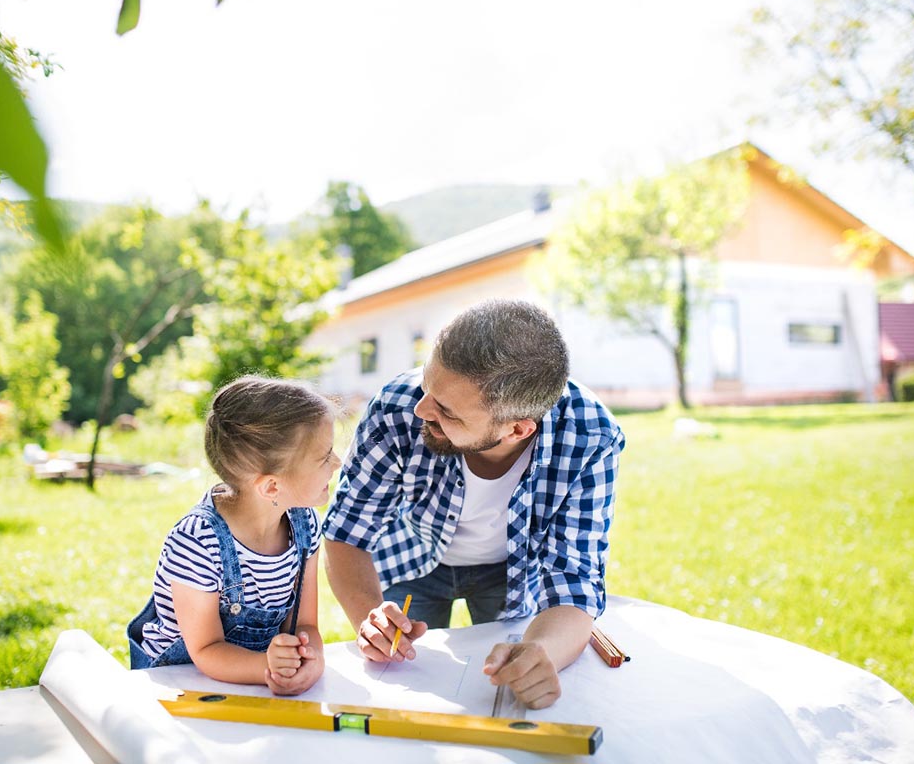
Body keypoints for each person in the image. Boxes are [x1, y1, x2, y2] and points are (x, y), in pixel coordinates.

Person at [322, 299, 624, 709]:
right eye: (428, 385)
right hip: (414, 553)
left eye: (445, 411)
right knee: (401, 680)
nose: (421, 409)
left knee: (497, 683)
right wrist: (368, 618)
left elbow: (575, 585)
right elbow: (346, 533)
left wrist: (541, 656)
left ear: (517, 428)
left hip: (512, 570)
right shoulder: (396, 406)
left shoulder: (592, 436)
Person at [127, 375, 340, 696]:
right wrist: (268, 667)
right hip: (178, 683)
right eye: (324, 457)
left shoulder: (304, 525)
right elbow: (206, 650)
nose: (337, 462)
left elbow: (304, 624)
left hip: (252, 683)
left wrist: (312, 659)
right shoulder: (198, 542)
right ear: (271, 487)